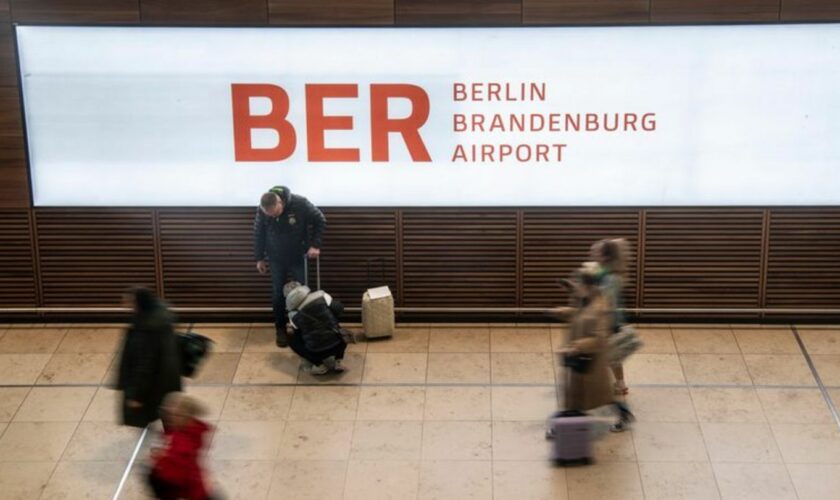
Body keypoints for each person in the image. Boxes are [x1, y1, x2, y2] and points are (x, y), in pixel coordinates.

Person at [554, 263, 634, 433]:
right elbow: (577, 313)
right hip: (579, 356)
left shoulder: (599, 307)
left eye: (579, 283)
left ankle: (622, 414)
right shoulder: (586, 299)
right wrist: (561, 312)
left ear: (588, 286)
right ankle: (567, 424)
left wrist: (577, 346)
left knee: (598, 396)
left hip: (591, 361)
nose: (577, 286)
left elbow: (600, 338)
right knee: (578, 396)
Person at [254, 186, 326, 348]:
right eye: (269, 215)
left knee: (304, 293)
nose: (272, 216)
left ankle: (304, 328)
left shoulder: (300, 203)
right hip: (275, 258)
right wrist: (259, 258)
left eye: (275, 213)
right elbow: (258, 233)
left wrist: (315, 244)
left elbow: (320, 220)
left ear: (281, 202)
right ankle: (281, 329)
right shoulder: (262, 209)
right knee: (278, 295)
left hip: (298, 256)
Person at [117, 287, 182, 429]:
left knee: (161, 412)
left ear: (138, 303)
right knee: (167, 410)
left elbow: (144, 365)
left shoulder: (146, 329)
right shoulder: (161, 316)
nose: (125, 305)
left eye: (129, 303)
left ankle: (173, 442)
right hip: (167, 375)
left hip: (154, 383)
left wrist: (136, 395)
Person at [148, 393, 213, 500]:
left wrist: (160, 458)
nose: (169, 418)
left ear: (185, 416)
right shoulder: (194, 429)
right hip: (196, 487)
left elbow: (174, 476)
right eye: (168, 413)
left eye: (173, 415)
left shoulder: (180, 442)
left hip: (192, 491)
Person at [590, 238, 631, 396]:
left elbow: (606, 303)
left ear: (605, 257)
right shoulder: (603, 271)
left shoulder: (611, 278)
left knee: (603, 353)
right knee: (612, 354)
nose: (592, 253)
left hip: (607, 321)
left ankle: (607, 385)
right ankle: (620, 384)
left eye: (596, 252)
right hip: (609, 320)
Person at [283, 281, 347, 375]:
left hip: (316, 352)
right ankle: (338, 361)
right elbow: (339, 309)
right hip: (339, 343)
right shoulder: (321, 296)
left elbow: (298, 334)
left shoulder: (293, 315)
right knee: (335, 324)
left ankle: (319, 365)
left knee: (291, 338)